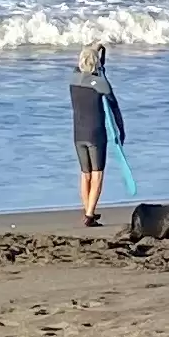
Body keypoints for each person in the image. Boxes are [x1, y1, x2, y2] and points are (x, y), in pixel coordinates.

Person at [68, 43, 126, 227]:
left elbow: (91, 69)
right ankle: (90, 215)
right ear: (97, 65)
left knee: (85, 175)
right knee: (97, 174)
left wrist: (98, 50)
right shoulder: (101, 84)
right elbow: (114, 106)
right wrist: (120, 131)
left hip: (78, 134)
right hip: (95, 134)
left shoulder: (73, 78)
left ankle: (88, 211)